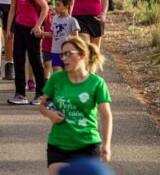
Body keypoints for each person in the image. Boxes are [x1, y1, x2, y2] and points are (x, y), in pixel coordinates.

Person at [39, 37, 112, 174]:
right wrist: (50, 114)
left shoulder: (97, 83)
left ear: (82, 55)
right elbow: (42, 105)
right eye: (62, 54)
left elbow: (106, 115)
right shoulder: (56, 78)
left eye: (68, 54)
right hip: (59, 144)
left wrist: (106, 145)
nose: (64, 59)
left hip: (87, 144)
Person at [6, 0, 49, 105]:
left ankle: (41, 93)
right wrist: (9, 29)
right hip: (19, 27)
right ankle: (20, 93)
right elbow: (13, 11)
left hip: (31, 29)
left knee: (35, 60)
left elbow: (45, 7)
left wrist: (37, 25)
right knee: (18, 59)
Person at [50, 0, 80, 72]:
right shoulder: (54, 19)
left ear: (66, 6)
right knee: (57, 72)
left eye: (58, 5)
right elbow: (52, 33)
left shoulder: (72, 20)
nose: (55, 7)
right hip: (55, 51)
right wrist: (42, 33)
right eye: (55, 5)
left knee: (68, 74)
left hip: (68, 52)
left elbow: (76, 38)